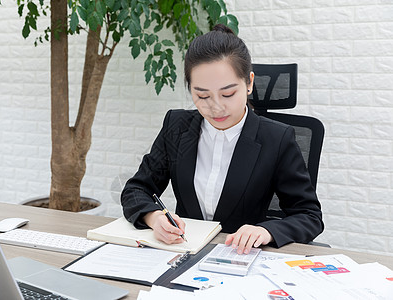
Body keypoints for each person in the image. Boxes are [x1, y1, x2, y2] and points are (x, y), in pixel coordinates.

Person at [121, 24, 323, 255]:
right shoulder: (176, 126)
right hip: (182, 253)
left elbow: (309, 215)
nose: (216, 107)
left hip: (240, 258)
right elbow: (136, 189)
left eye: (227, 94)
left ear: (248, 83)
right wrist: (153, 216)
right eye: (202, 95)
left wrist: (267, 231)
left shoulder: (276, 138)